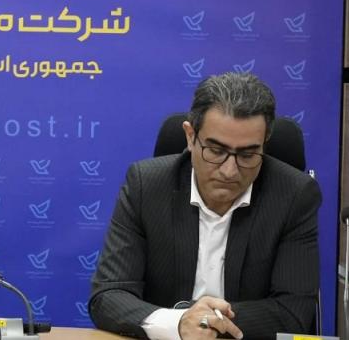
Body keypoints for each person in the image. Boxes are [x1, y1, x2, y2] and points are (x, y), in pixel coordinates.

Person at [89, 72, 321, 340]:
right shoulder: (146, 186)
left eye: (247, 154)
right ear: (190, 137)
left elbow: (293, 313)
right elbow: (108, 296)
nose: (230, 170)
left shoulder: (294, 196)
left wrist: (204, 321)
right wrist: (177, 323)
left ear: (264, 145)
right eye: (216, 151)